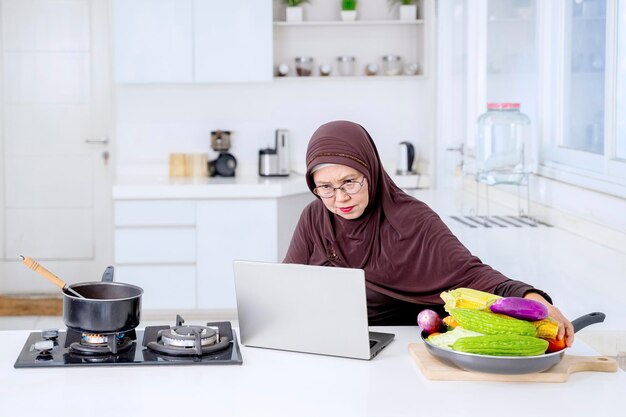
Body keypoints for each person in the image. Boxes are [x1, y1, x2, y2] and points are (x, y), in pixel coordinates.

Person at [284, 120, 574, 347]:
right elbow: (286, 286)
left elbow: (475, 276)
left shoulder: (412, 220)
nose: (340, 198)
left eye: (349, 182)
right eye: (325, 187)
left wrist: (535, 299)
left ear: (370, 172)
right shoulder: (314, 217)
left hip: (402, 347)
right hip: (329, 342)